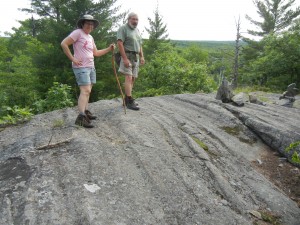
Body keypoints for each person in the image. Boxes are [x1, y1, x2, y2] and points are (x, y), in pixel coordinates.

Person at [61, 15, 114, 128]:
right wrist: (73, 59)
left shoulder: (90, 37)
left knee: (88, 91)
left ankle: (85, 112)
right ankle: (81, 117)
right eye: (88, 23)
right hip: (81, 67)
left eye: (92, 24)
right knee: (85, 90)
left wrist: (109, 49)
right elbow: (64, 44)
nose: (90, 26)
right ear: (82, 24)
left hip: (90, 67)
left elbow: (96, 53)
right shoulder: (78, 33)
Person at [117, 12, 145, 110]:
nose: (135, 21)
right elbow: (120, 43)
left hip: (136, 57)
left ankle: (127, 99)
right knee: (128, 78)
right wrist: (124, 58)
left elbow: (140, 44)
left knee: (132, 79)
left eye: (136, 19)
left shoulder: (137, 30)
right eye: (133, 19)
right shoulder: (123, 29)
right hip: (127, 56)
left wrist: (142, 57)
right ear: (128, 19)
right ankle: (129, 100)